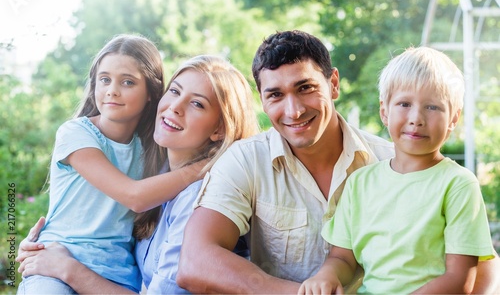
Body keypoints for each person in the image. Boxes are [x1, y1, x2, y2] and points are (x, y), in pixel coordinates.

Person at [176, 30, 500, 294]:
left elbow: (480, 274)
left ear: (333, 84)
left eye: (305, 88)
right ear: (262, 98)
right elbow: (195, 263)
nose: (294, 111)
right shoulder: (247, 160)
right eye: (275, 95)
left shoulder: (398, 162)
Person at [16, 55, 260, 294]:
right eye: (174, 91)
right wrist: (42, 244)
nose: (175, 107)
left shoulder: (200, 199)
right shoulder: (153, 170)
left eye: (197, 103)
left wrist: (68, 268)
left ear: (219, 128)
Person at [298, 46, 496, 294]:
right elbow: (343, 258)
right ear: (384, 111)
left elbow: (459, 280)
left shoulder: (458, 184)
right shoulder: (360, 182)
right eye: (404, 104)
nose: (417, 118)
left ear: (454, 119)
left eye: (433, 107)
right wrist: (326, 276)